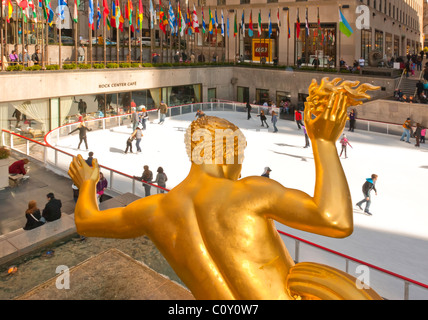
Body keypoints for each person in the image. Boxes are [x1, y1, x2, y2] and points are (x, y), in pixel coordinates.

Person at [68, 80, 382, 300]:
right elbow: (335, 220)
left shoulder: (155, 211)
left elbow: (86, 222)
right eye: (239, 159)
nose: (241, 169)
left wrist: (88, 183)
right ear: (225, 155)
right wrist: (324, 143)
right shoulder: (250, 193)